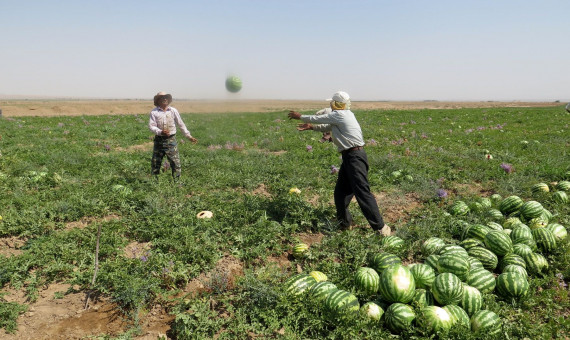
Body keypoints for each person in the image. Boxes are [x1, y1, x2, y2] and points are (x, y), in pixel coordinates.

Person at [288, 91, 391, 236]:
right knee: (340, 193)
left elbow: (321, 118)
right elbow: (328, 126)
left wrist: (300, 116)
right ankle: (344, 223)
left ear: (336, 104)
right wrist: (311, 127)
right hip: (349, 157)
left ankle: (381, 228)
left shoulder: (341, 114)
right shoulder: (344, 115)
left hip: (355, 157)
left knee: (362, 193)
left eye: (332, 102)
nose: (330, 104)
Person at [148, 91, 197, 181]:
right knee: (156, 162)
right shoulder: (154, 112)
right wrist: (160, 132)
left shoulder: (173, 111)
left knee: (175, 162)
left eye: (166, 97)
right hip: (159, 140)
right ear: (158, 100)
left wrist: (188, 136)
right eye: (162, 97)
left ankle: (177, 182)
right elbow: (151, 126)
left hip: (171, 140)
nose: (164, 99)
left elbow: (181, 124)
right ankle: (154, 182)